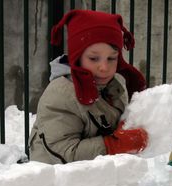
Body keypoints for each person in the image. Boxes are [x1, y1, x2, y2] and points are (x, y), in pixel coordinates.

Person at [29, 9, 148, 164]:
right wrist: (114, 144)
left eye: (112, 58)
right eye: (94, 58)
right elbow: (63, 151)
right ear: (77, 57)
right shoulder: (61, 94)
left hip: (95, 171)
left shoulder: (113, 87)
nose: (104, 67)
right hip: (54, 177)